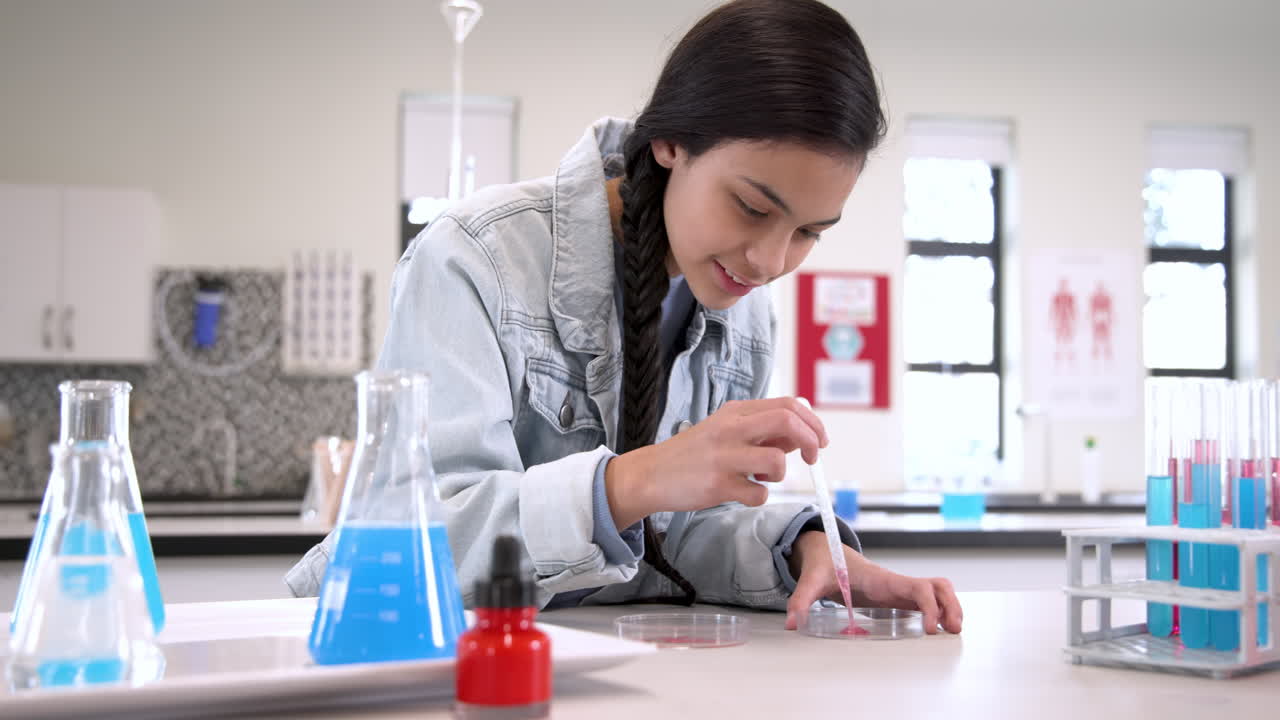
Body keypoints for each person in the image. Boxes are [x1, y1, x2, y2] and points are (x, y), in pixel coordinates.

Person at [288, 0, 963, 635]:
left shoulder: (745, 315)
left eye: (809, 231)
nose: (767, 260)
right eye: (752, 208)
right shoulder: (475, 257)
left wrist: (807, 550)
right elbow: (407, 543)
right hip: (430, 662)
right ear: (671, 143)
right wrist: (632, 481)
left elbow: (679, 541)